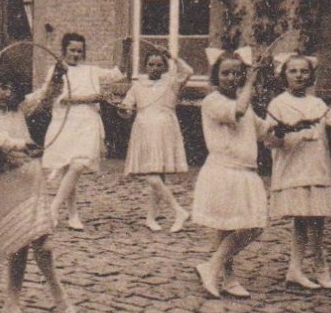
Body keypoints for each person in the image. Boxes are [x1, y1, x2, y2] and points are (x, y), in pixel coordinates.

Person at [0, 69, 76, 313]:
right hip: (4, 186)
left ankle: (58, 296)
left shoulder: (19, 109)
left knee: (43, 244)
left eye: (11, 87)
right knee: (17, 245)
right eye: (1, 86)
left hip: (29, 182)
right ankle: (14, 303)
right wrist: (19, 145)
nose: (7, 92)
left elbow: (43, 98)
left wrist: (54, 80)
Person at [192, 51, 271, 299]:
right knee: (243, 226)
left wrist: (296, 123)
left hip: (244, 172)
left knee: (239, 226)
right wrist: (251, 81)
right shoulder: (212, 101)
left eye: (237, 73)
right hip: (223, 170)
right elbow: (237, 111)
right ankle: (214, 268)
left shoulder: (243, 103)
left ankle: (225, 276)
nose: (231, 77)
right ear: (216, 76)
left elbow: (264, 130)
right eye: (225, 73)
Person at [266, 55, 331, 290]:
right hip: (293, 167)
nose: (299, 75)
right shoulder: (278, 104)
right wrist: (281, 132)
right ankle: (299, 268)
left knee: (317, 219)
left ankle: (314, 266)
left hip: (317, 166)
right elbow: (269, 141)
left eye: (303, 71)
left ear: (310, 75)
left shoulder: (319, 104)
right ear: (285, 75)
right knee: (301, 218)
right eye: (293, 71)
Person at [41, 33, 125, 231]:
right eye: (72, 50)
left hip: (87, 124)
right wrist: (91, 97)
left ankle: (52, 210)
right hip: (65, 122)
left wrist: (126, 51)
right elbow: (58, 97)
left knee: (78, 165)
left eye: (80, 51)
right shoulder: (56, 70)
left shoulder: (91, 71)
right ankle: (72, 216)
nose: (76, 54)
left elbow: (118, 74)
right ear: (64, 51)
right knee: (68, 169)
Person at [118, 46, 193, 233]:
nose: (155, 68)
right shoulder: (137, 86)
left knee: (158, 176)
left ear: (165, 67)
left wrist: (172, 55)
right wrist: (123, 110)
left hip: (165, 130)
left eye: (159, 64)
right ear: (145, 67)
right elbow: (127, 108)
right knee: (152, 176)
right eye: (151, 64)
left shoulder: (171, 83)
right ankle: (177, 211)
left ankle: (152, 217)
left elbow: (188, 71)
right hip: (144, 130)